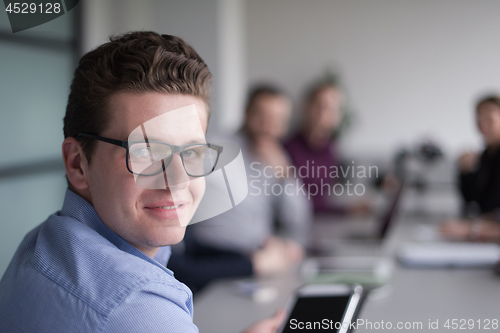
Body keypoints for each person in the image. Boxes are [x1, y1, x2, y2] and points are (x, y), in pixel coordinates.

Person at [0, 32, 282, 333]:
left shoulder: (40, 245)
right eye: (146, 151)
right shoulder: (136, 307)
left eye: (192, 151)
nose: (178, 179)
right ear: (77, 163)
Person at [168, 86, 312, 293]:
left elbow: (299, 219)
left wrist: (285, 175)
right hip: (216, 260)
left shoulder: (277, 157)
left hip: (260, 258)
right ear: (246, 112)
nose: (269, 126)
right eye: (262, 116)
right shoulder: (212, 148)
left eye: (278, 120)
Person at [284, 79, 371, 215]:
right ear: (307, 107)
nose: (326, 114)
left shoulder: (330, 148)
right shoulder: (288, 150)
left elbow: (324, 197)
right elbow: (301, 206)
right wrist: (344, 211)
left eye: (334, 109)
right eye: (321, 106)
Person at [440, 95, 500, 242]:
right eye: (479, 119)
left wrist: (472, 228)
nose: (483, 125)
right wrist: (466, 172)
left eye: (489, 119)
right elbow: (475, 200)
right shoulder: (488, 155)